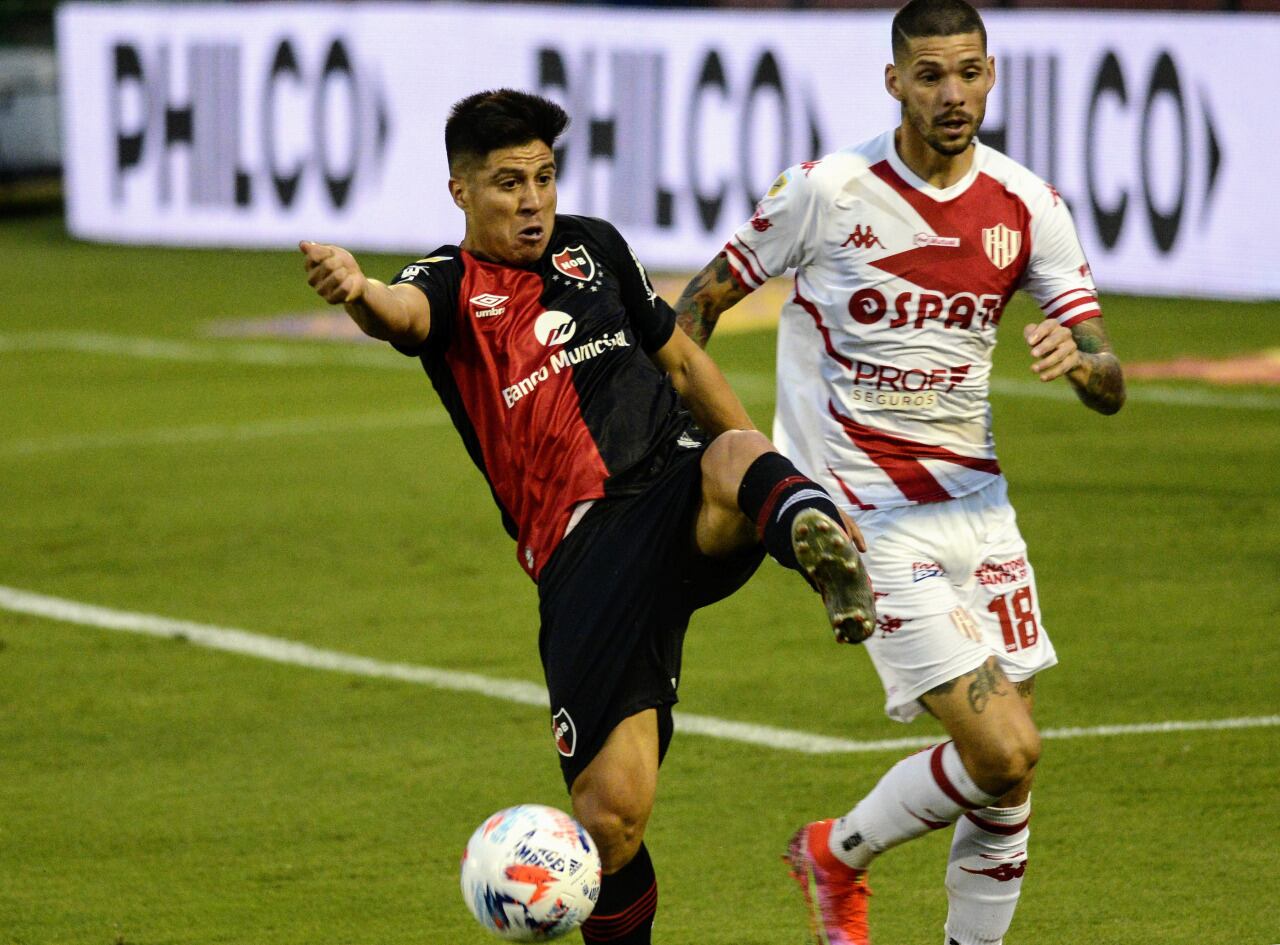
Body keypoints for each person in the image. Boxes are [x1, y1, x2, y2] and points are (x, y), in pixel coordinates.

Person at [300, 89, 874, 945]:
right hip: (582, 554)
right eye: (509, 184)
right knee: (610, 822)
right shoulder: (448, 284)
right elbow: (400, 314)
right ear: (461, 191)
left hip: (674, 488)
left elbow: (683, 364)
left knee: (732, 457)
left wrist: (772, 465)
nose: (533, 200)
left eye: (544, 177)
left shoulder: (595, 246)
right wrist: (358, 291)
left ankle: (808, 529)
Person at [674, 3, 1126, 943]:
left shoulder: (1028, 205)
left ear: (991, 74)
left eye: (968, 72)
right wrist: (698, 446)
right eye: (930, 75)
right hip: (862, 514)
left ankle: (870, 877)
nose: (952, 94)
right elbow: (699, 308)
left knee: (1006, 780)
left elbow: (1108, 373)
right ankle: (836, 852)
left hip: (981, 511)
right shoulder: (827, 190)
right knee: (1006, 750)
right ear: (894, 83)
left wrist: (1084, 365)